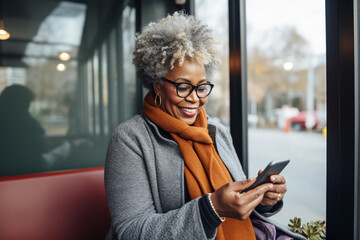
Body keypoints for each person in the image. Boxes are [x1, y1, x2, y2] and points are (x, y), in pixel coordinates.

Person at [104, 12, 306, 240]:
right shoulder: (130, 139)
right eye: (183, 87)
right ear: (157, 85)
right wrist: (211, 210)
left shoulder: (216, 130)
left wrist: (263, 200)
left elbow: (237, 205)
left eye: (201, 87)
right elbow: (130, 232)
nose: (194, 98)